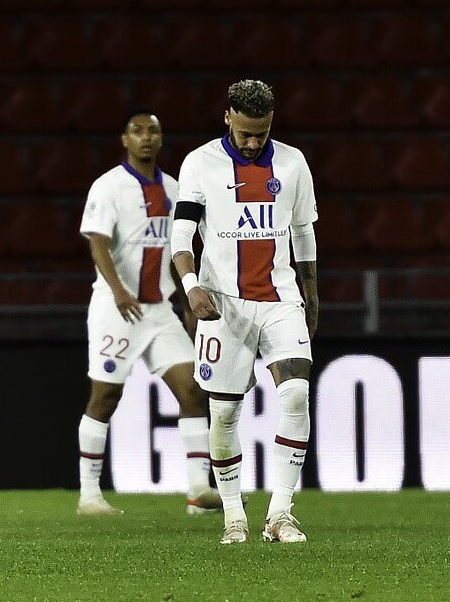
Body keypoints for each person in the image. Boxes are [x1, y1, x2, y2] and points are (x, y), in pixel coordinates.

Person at [171, 80, 319, 545]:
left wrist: (311, 291)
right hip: (222, 304)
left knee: (295, 394)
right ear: (228, 118)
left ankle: (280, 514)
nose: (254, 143)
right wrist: (191, 286)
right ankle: (234, 517)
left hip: (279, 298)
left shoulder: (292, 162)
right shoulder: (199, 163)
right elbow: (181, 235)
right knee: (225, 414)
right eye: (246, 133)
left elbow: (303, 230)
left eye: (263, 133)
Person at [77, 110, 222, 517]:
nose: (145, 138)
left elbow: (183, 248)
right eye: (137, 131)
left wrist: (188, 302)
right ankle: (90, 496)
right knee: (105, 396)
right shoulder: (109, 186)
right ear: (124, 139)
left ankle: (198, 490)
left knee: (194, 390)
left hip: (159, 310)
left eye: (153, 131)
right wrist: (119, 291)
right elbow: (98, 243)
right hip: (116, 308)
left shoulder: (176, 189)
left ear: (161, 139)